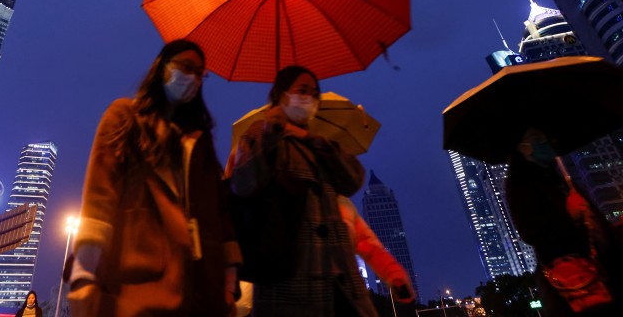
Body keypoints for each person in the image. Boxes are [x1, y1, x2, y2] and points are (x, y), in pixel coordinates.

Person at [67, 39, 241, 317]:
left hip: (200, 288)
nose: (194, 77)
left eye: (200, 73)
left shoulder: (200, 141)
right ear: (162, 68)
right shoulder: (125, 116)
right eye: (186, 67)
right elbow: (100, 196)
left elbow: (221, 215)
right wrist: (84, 274)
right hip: (136, 284)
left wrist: (229, 285)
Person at [229, 65, 376, 317]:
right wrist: (269, 139)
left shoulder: (317, 142)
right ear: (281, 94)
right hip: (289, 277)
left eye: (314, 93)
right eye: (302, 90)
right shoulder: (259, 134)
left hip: (339, 277)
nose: (309, 98)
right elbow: (242, 184)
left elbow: (353, 179)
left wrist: (312, 140)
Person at [505, 127, 623, 317]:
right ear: (523, 148)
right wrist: (571, 215)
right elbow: (532, 232)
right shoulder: (520, 183)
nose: (545, 143)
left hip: (609, 269)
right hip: (579, 281)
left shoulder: (559, 179)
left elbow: (589, 231)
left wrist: (619, 229)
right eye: (536, 139)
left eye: (544, 137)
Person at [337, 195, 416, 305]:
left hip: (345, 291)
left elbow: (370, 246)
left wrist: (396, 278)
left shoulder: (343, 205)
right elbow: (370, 246)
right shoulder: (343, 205)